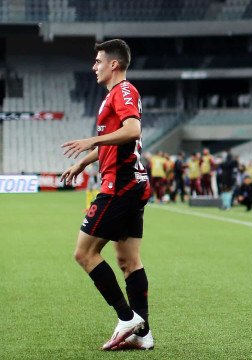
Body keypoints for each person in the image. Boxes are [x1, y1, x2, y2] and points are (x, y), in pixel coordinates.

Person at [60, 39, 154, 351]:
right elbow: (112, 144)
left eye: (99, 61)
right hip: (131, 184)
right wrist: (83, 162)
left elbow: (132, 131)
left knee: (84, 253)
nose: (94, 66)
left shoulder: (123, 91)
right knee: (128, 260)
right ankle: (143, 334)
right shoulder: (113, 96)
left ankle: (127, 319)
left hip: (121, 186)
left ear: (114, 64)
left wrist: (90, 142)